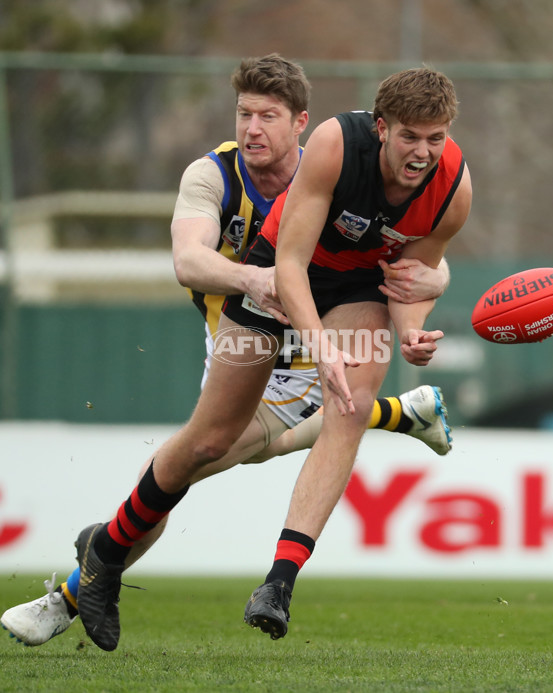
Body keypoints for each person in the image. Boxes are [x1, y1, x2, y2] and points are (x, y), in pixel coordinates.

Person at [1, 56, 451, 649]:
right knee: (199, 456)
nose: (253, 128)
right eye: (244, 113)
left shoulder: (340, 169)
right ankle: (402, 411)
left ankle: (71, 595)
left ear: (301, 124)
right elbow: (189, 261)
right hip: (243, 337)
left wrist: (434, 286)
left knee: (222, 452)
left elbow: (411, 260)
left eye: (269, 116)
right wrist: (253, 280)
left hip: (304, 365)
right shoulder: (212, 176)